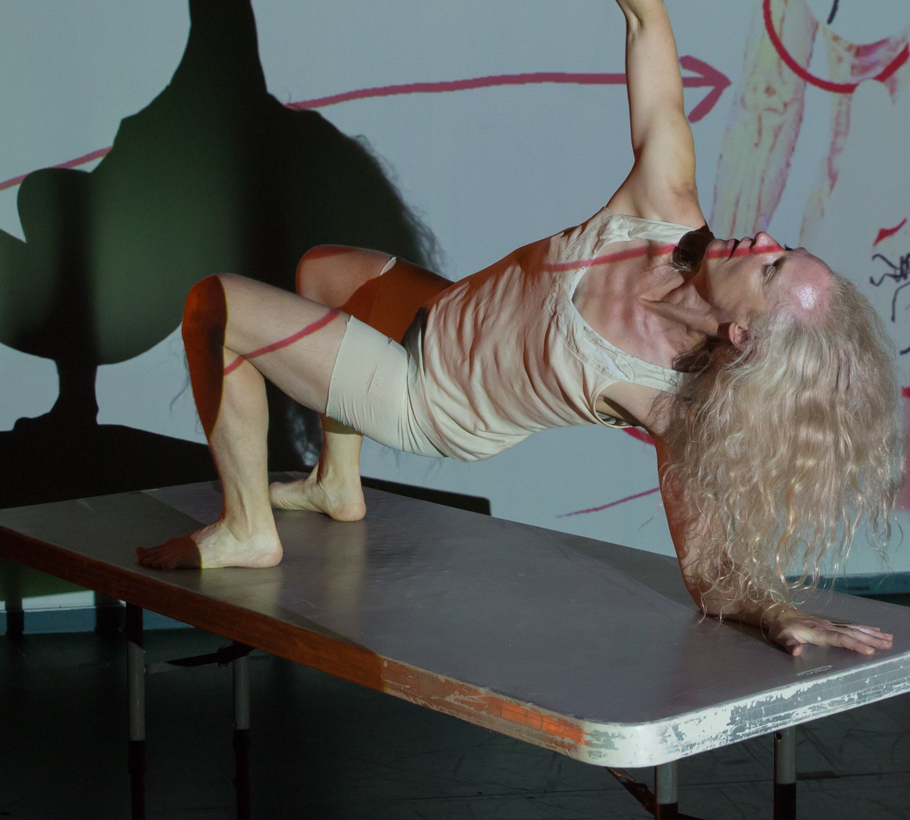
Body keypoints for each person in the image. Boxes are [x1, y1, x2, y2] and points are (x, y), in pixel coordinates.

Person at [138, 0, 904, 657]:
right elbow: (647, 23)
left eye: (771, 269)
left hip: (429, 396)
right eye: (781, 247)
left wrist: (773, 611)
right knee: (318, 273)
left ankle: (248, 529)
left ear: (743, 336)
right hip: (438, 315)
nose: (763, 240)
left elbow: (710, 575)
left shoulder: (670, 404)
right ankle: (337, 483)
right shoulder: (665, 206)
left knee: (214, 307)